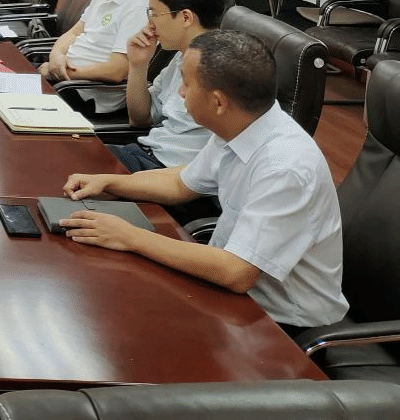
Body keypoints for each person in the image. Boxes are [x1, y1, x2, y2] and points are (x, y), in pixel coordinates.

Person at [61, 30, 349, 332]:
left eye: (187, 83)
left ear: (218, 102)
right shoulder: (241, 124)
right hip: (230, 293)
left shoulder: (285, 168)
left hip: (280, 325)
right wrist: (109, 183)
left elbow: (236, 272)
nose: (180, 92)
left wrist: (129, 237)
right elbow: (180, 184)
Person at [108, 0, 227, 173]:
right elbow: (140, 119)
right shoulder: (182, 56)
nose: (150, 23)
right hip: (146, 154)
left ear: (186, 17)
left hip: (166, 171)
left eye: (154, 14)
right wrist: (138, 65)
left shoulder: (219, 68)